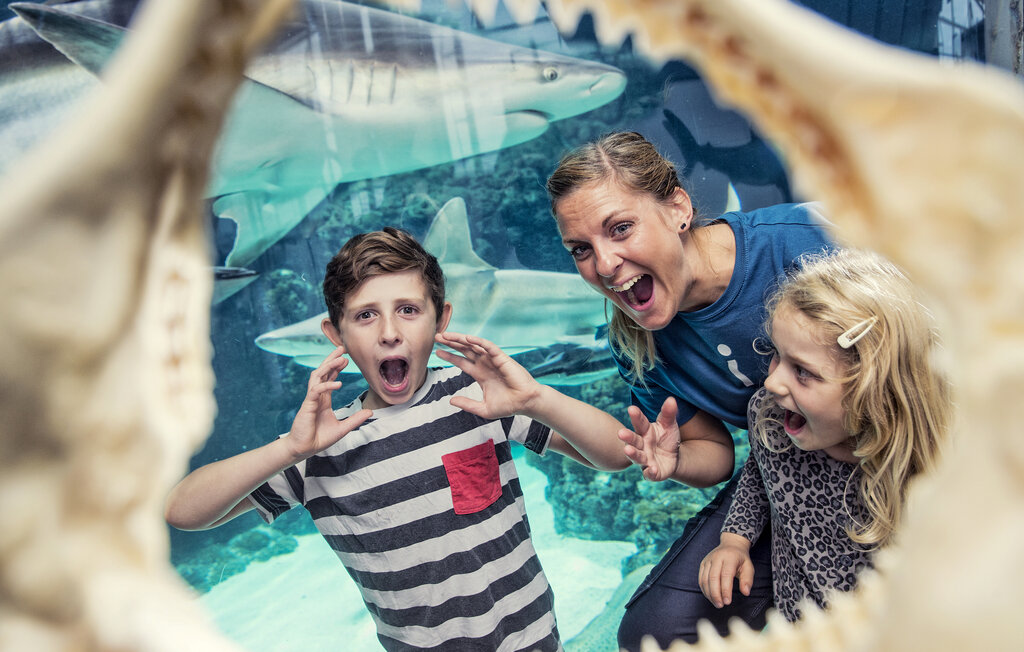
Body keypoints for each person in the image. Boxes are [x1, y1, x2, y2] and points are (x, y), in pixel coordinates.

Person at [163, 228, 630, 652]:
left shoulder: (478, 399)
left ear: (440, 319)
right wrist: (290, 450)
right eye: (365, 316)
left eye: (408, 310)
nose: (389, 333)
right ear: (335, 335)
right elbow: (184, 511)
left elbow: (617, 454)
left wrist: (536, 399)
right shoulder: (321, 443)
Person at [545, 131, 836, 648]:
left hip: (898, 455)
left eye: (621, 228)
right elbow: (720, 456)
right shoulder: (636, 340)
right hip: (781, 478)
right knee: (654, 634)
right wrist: (676, 463)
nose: (605, 264)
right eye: (581, 249)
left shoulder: (811, 243)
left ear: (678, 207)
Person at [698, 248, 950, 621]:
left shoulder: (933, 476)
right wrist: (734, 540)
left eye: (804, 371)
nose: (772, 381)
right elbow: (758, 475)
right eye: (776, 355)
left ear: (875, 393)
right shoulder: (770, 416)